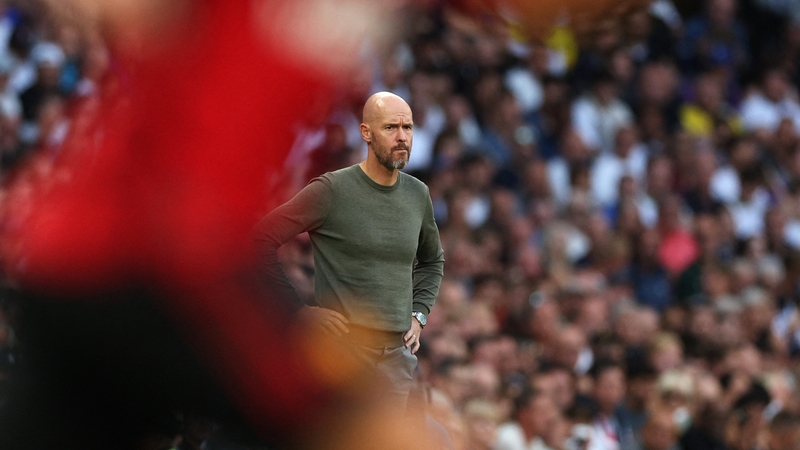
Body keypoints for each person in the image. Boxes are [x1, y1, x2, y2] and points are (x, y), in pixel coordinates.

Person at [256, 91, 445, 416]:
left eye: (408, 128)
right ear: (366, 133)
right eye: (390, 128)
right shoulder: (332, 190)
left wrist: (419, 313)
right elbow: (259, 240)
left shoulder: (418, 193)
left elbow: (433, 260)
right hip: (341, 354)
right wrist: (298, 311)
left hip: (396, 359)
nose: (402, 137)